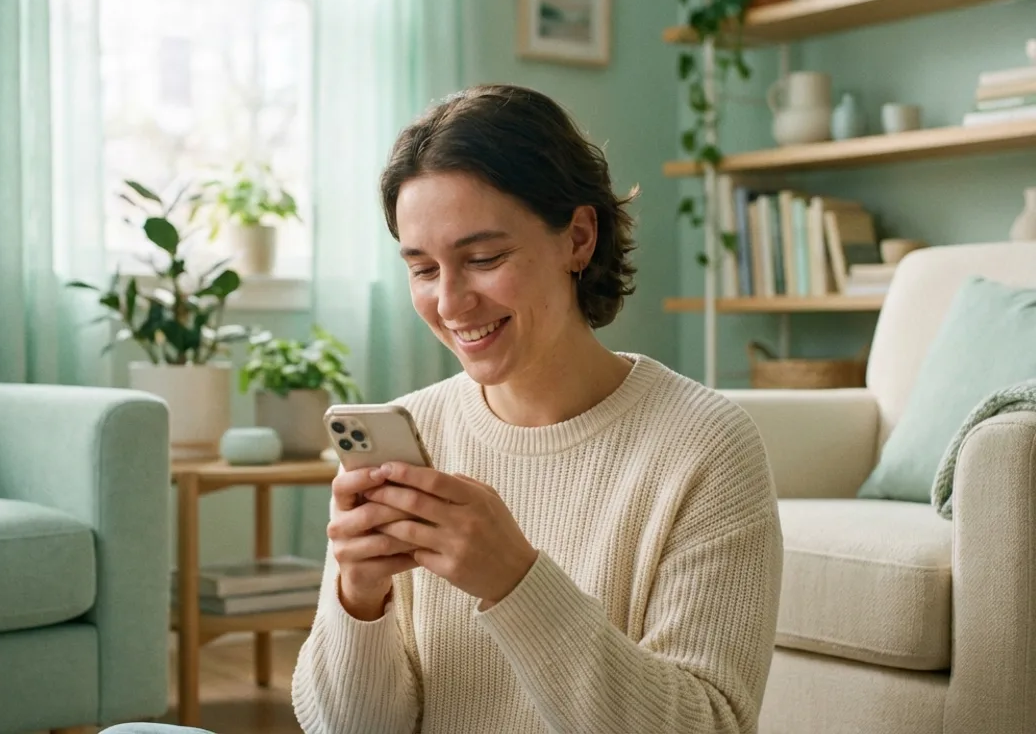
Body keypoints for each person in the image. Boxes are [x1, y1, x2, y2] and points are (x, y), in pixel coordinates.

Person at [106, 83, 783, 734]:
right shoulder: (414, 431)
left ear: (579, 238)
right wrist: (359, 602)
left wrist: (516, 583)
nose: (452, 304)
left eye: (483, 257)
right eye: (423, 270)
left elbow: (708, 726)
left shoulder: (705, 447)